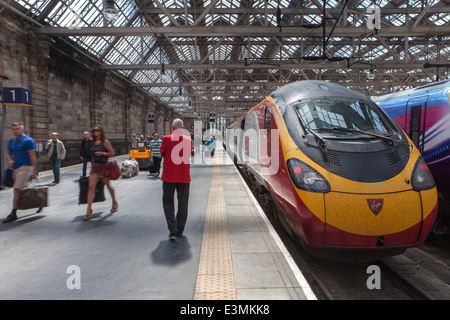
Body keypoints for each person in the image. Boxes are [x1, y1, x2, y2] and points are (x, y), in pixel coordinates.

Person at [160, 119, 192, 240]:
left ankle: (172, 226)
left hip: (169, 176)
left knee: (168, 202)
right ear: (182, 128)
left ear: (173, 128)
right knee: (183, 204)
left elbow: (162, 153)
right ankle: (180, 230)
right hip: (184, 176)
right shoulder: (188, 140)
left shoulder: (166, 139)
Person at [2, 122, 39, 223]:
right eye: (14, 129)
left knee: (17, 189)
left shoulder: (28, 141)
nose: (15, 131)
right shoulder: (13, 141)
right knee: (23, 190)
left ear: (22, 129)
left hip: (26, 167)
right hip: (16, 168)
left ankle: (13, 213)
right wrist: (9, 159)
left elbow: (33, 157)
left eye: (17, 129)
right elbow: (7, 153)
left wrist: (34, 171)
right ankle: (39, 202)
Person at [83, 124, 118, 221]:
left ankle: (114, 202)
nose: (95, 132)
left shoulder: (105, 142)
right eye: (94, 130)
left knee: (108, 186)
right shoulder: (92, 142)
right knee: (91, 188)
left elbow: (112, 153)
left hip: (103, 167)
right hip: (94, 168)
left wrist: (102, 153)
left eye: (97, 130)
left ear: (101, 132)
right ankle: (89, 210)